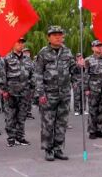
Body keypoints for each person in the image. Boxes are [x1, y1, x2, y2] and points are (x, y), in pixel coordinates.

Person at [34, 26, 81, 161]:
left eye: (60, 35)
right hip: (49, 93)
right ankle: (48, 149)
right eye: (54, 35)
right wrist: (41, 93)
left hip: (64, 93)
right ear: (49, 37)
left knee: (62, 123)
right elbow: (38, 74)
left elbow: (73, 70)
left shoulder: (67, 52)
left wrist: (79, 66)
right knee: (48, 123)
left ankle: (58, 148)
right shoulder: (43, 53)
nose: (58, 37)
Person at [1, 37, 34, 147]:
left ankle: (20, 137)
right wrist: (4, 90)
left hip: (24, 92)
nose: (21, 44)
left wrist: (31, 87)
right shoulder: (7, 58)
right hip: (11, 92)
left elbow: (32, 74)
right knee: (10, 116)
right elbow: (3, 75)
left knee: (22, 116)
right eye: (18, 42)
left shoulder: (27, 59)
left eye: (22, 43)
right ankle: (11, 138)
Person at [85, 40, 102, 139]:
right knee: (93, 110)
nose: (99, 48)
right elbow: (86, 75)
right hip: (93, 87)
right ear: (92, 48)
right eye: (97, 46)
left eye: (100, 46)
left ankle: (99, 129)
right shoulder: (88, 60)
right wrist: (86, 88)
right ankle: (92, 131)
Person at [22, 47, 36, 120]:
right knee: (24, 99)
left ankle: (28, 112)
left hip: (30, 83)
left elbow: (34, 72)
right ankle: (23, 113)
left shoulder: (31, 62)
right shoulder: (21, 60)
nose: (27, 53)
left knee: (29, 99)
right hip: (23, 84)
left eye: (28, 52)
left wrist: (33, 82)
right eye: (25, 52)